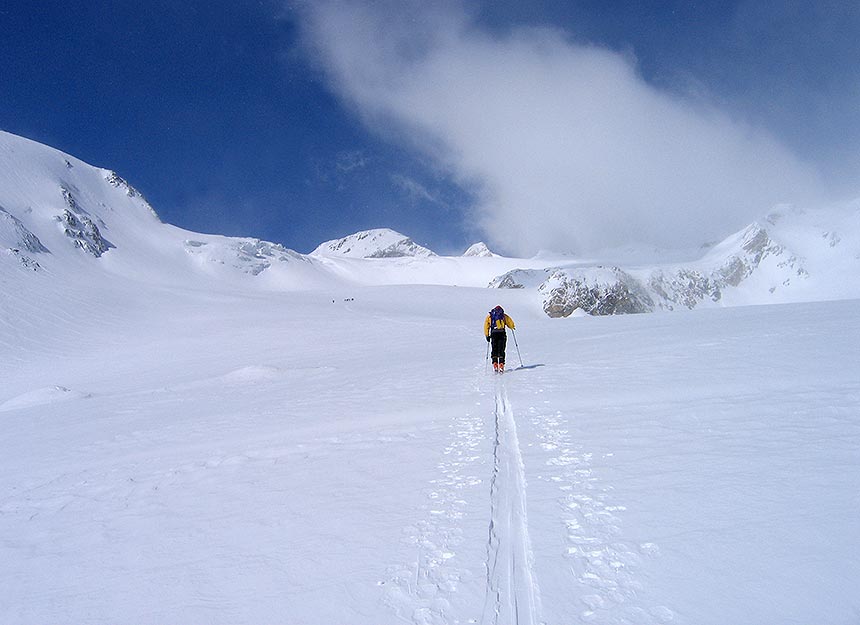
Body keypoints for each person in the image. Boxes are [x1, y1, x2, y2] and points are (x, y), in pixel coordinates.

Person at [484, 305, 515, 373]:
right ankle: (501, 364)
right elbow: (510, 323)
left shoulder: (490, 316)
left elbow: (486, 325)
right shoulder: (503, 315)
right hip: (502, 333)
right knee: (501, 349)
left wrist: (487, 335)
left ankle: (495, 364)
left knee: (494, 348)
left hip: (494, 333)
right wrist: (512, 327)